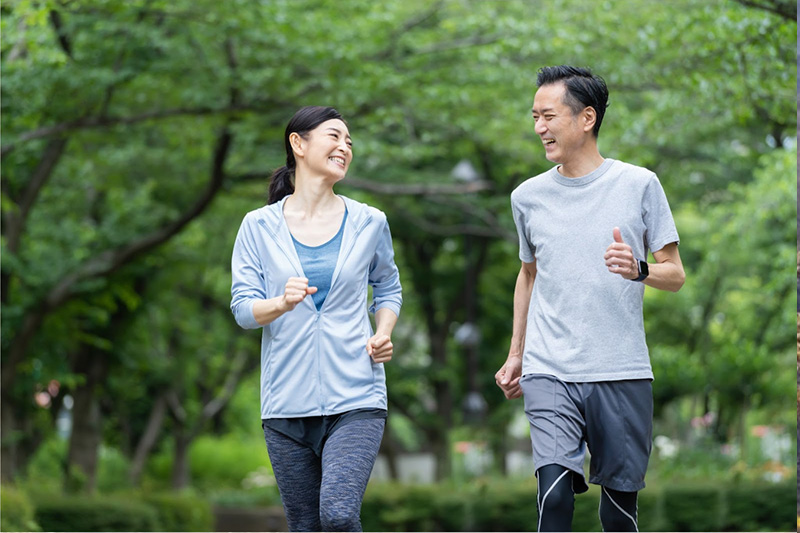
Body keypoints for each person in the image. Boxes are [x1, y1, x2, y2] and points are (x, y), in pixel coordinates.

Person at [495, 66, 685, 532]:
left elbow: (675, 274)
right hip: (549, 368)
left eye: (548, 116)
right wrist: (517, 353)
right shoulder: (527, 197)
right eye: (534, 117)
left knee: (619, 513)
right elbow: (528, 273)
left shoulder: (639, 184)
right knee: (554, 494)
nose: (539, 127)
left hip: (620, 369)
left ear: (587, 118)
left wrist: (639, 269)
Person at [230, 106, 402, 532]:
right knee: (305, 525)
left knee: (339, 515)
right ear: (298, 143)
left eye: (349, 142)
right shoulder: (257, 226)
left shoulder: (369, 221)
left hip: (357, 397)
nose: (344, 147)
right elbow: (242, 309)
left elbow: (388, 287)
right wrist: (280, 303)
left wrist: (383, 332)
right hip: (286, 404)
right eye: (334, 136)